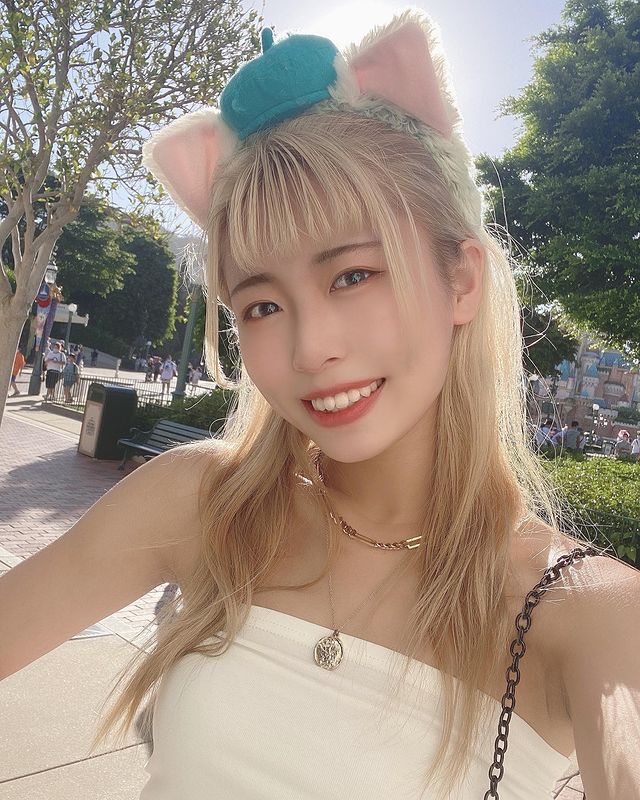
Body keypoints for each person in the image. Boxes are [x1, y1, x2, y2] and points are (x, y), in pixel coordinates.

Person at [1, 13, 638, 800]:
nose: (310, 348)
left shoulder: (590, 614)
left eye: (352, 276)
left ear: (462, 281)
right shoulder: (203, 504)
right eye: (262, 305)